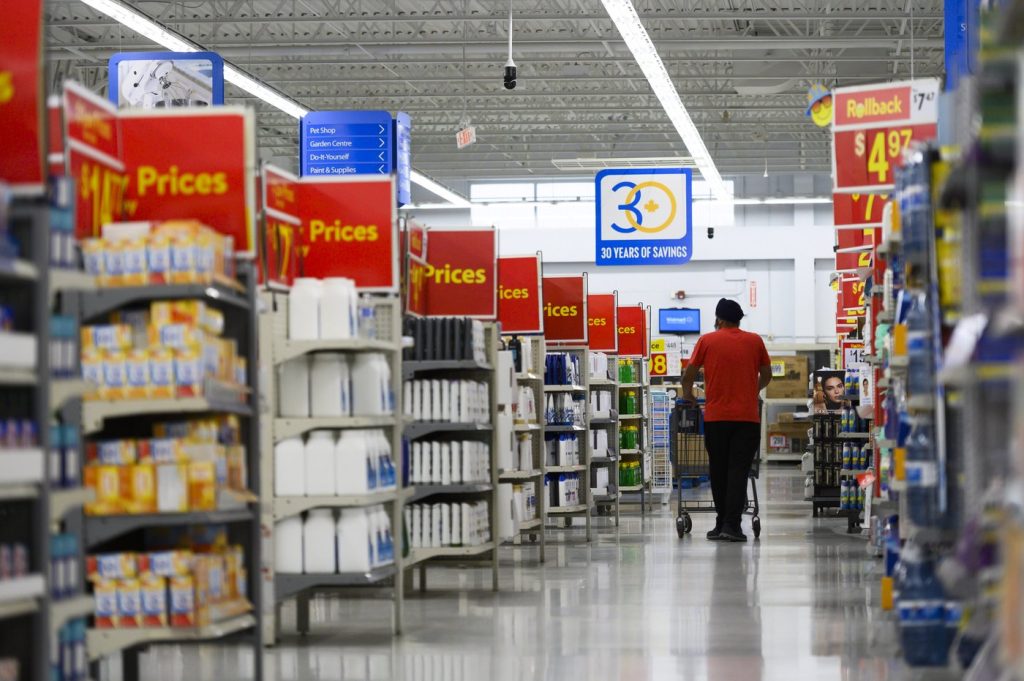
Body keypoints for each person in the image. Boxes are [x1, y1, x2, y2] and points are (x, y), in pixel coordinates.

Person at [681, 298, 772, 542]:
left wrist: (688, 394)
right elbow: (767, 374)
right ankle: (730, 525)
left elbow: (688, 374)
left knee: (718, 471)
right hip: (747, 419)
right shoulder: (755, 341)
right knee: (738, 471)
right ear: (739, 319)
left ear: (719, 319)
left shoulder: (707, 340)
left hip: (716, 418)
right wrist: (753, 389)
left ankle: (723, 522)